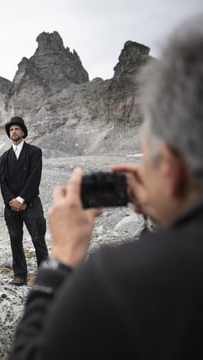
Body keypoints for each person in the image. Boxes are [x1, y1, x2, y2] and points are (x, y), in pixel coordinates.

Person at [10, 15, 203, 359]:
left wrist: (63, 258)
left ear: (171, 170)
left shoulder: (116, 278)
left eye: (148, 158)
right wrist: (166, 215)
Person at [0, 116, 48, 285]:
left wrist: (22, 199)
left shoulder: (34, 152)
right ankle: (20, 275)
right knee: (15, 239)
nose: (14, 131)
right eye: (11, 129)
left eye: (17, 129)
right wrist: (12, 201)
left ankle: (44, 276)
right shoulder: (4, 157)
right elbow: (3, 182)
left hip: (31, 203)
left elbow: (35, 177)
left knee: (38, 239)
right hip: (12, 207)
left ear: (23, 132)